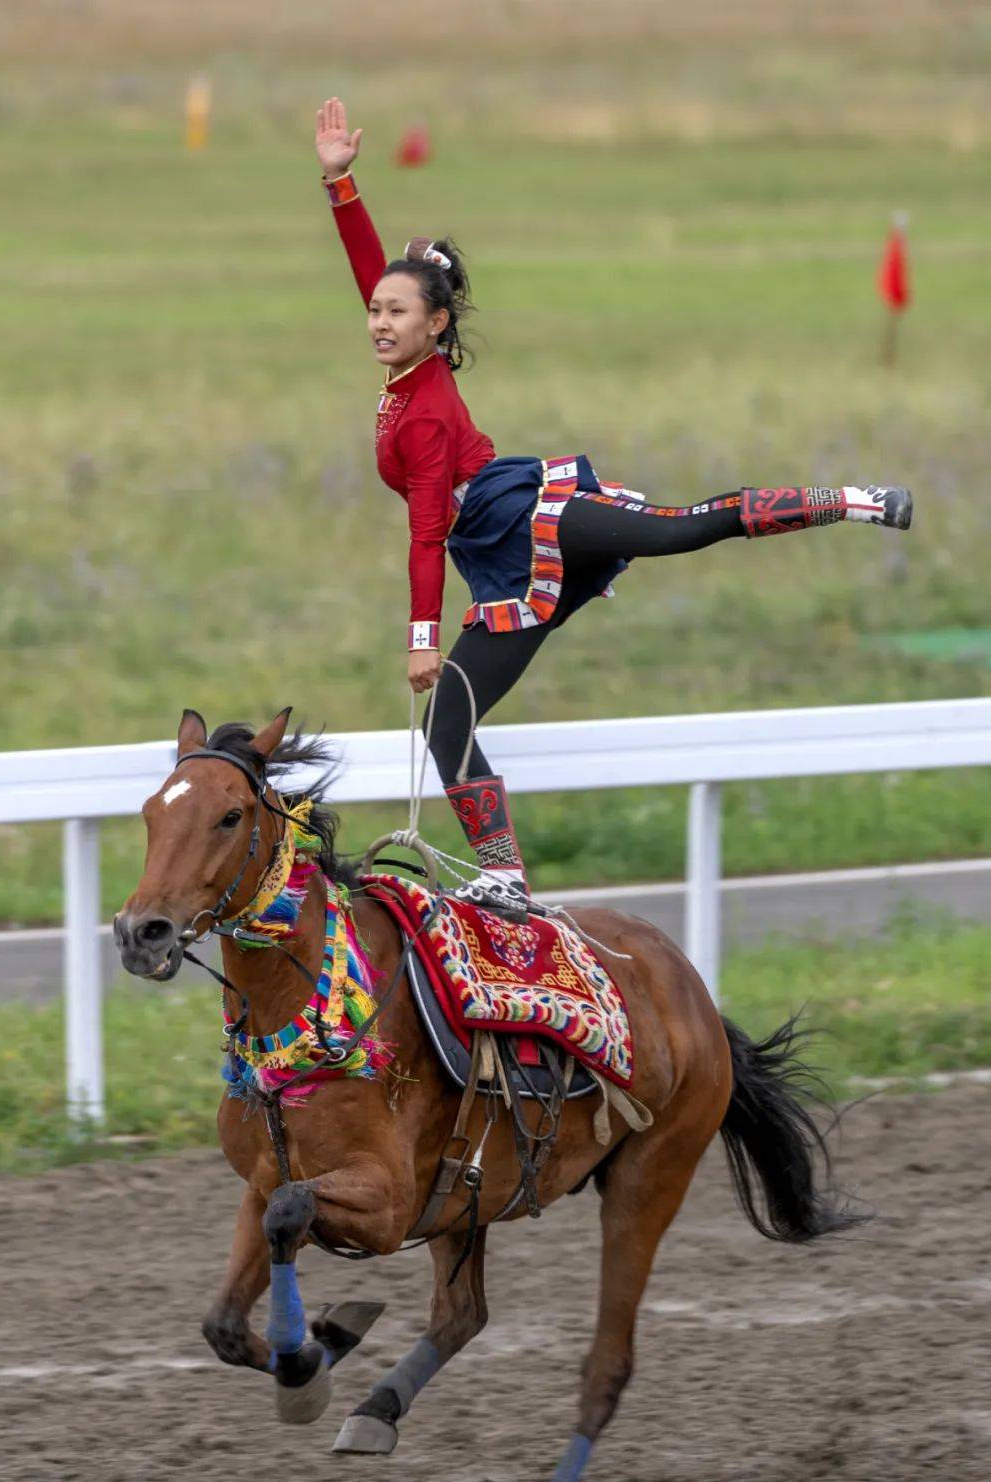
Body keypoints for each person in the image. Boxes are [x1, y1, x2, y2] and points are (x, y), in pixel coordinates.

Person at [315, 97, 913, 914]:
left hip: (530, 520)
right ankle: (508, 878)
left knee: (683, 529)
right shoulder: (408, 370)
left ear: (437, 323)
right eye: (376, 310)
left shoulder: (423, 410)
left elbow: (425, 530)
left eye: (396, 312)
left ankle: (853, 499)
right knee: (446, 725)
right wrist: (340, 183)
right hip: (501, 569)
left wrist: (421, 638)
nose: (378, 322)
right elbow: (369, 273)